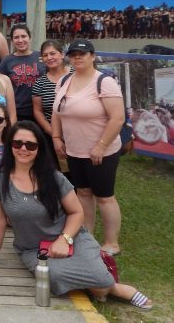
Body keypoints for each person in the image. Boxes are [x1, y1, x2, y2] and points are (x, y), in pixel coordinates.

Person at [0, 121, 153, 312]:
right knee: (52, 276)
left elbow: (77, 212)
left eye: (30, 145)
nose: (23, 149)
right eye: (17, 143)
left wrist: (64, 239)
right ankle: (102, 287)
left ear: (39, 148)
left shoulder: (53, 177)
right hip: (33, 248)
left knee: (99, 276)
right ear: (10, 146)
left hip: (72, 237)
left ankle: (109, 286)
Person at [51, 39, 125, 256]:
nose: (77, 58)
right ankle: (87, 235)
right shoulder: (64, 80)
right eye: (73, 54)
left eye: (82, 54)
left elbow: (117, 118)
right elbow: (57, 111)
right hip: (74, 150)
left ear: (92, 56)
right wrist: (56, 137)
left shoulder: (104, 82)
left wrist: (101, 146)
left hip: (101, 152)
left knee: (104, 196)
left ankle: (112, 242)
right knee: (82, 193)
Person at [32, 39, 72, 170]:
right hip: (53, 135)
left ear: (62, 54)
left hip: (79, 133)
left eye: (53, 53)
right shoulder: (40, 83)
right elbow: (38, 111)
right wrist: (54, 133)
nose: (49, 58)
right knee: (63, 173)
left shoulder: (75, 74)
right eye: (45, 55)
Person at [0, 24, 45, 121]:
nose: (20, 40)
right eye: (16, 37)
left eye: (23, 36)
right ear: (12, 41)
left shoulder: (41, 56)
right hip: (18, 112)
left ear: (30, 38)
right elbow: (1, 87)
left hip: (43, 111)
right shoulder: (7, 61)